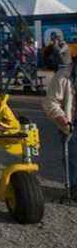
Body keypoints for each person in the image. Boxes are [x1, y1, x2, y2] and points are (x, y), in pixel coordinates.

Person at [42, 61, 76, 193]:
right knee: (73, 158)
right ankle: (74, 188)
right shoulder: (63, 76)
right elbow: (50, 102)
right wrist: (60, 117)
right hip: (72, 125)